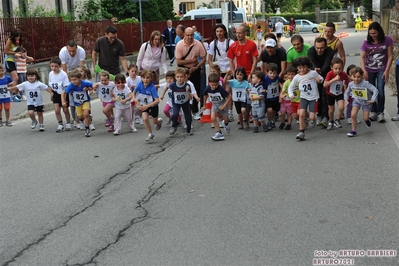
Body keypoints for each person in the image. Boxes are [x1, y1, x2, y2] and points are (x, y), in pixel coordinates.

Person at [360, 21, 393, 123]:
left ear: (379, 32)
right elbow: (362, 57)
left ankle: (380, 112)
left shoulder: (387, 40)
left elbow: (390, 56)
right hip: (369, 69)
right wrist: (364, 70)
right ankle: (373, 111)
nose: (373, 36)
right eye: (371, 34)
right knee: (370, 90)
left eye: (375, 33)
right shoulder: (366, 42)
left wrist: (387, 71)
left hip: (381, 68)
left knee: (380, 90)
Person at [288, 57, 324, 141]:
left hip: (313, 97)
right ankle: (301, 132)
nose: (302, 69)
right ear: (297, 68)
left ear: (308, 66)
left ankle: (312, 120)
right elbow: (291, 87)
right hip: (303, 97)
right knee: (301, 114)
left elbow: (321, 78)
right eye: (300, 68)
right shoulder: (297, 77)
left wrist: (319, 80)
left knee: (311, 117)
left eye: (304, 67)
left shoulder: (313, 73)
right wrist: (291, 95)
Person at [175, 26, 206, 120]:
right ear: (184, 35)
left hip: (195, 68)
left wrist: (197, 66)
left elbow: (204, 58)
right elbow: (179, 62)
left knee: (195, 89)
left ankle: (195, 110)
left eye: (191, 35)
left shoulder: (198, 44)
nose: (190, 37)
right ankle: (184, 109)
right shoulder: (180, 45)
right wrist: (191, 61)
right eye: (188, 35)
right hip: (183, 70)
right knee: (183, 89)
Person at [207, 24, 235, 121]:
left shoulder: (230, 42)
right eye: (217, 31)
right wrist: (213, 69)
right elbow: (209, 59)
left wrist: (233, 69)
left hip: (229, 69)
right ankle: (221, 112)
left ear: (224, 32)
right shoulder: (213, 43)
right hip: (219, 70)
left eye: (221, 31)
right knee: (219, 91)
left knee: (227, 91)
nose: (219, 33)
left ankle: (230, 111)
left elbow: (234, 56)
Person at [307, 37, 335, 127]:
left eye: (322, 48)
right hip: (315, 74)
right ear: (314, 46)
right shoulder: (310, 51)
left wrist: (321, 72)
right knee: (317, 96)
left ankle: (325, 116)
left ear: (326, 46)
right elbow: (311, 63)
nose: (319, 50)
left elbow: (327, 64)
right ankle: (319, 115)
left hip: (327, 74)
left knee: (325, 96)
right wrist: (315, 70)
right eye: (317, 48)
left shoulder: (330, 51)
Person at [344, 67, 378, 137]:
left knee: (365, 118)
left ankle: (367, 121)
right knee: (353, 115)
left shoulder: (365, 83)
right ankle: (353, 130)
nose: (356, 79)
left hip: (366, 102)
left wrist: (373, 99)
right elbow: (346, 93)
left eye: (358, 77)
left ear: (362, 76)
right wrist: (346, 100)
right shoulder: (351, 84)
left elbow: (375, 90)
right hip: (357, 100)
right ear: (351, 76)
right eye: (354, 77)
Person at [62, 69, 93, 137]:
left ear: (80, 78)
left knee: (86, 114)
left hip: (85, 101)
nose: (73, 81)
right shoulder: (71, 85)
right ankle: (84, 120)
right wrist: (63, 101)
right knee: (80, 117)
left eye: (75, 79)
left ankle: (87, 129)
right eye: (71, 80)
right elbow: (63, 92)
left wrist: (89, 88)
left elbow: (93, 86)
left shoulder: (85, 83)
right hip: (77, 103)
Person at [133, 70, 163, 141]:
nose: (145, 80)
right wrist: (135, 99)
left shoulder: (152, 87)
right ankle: (150, 134)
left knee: (154, 122)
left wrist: (147, 106)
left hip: (153, 106)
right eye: (143, 78)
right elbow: (133, 93)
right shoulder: (139, 84)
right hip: (144, 104)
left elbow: (157, 100)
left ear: (151, 78)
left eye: (147, 78)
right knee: (145, 119)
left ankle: (159, 121)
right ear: (141, 78)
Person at [323, 58, 350, 131]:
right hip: (330, 93)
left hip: (339, 93)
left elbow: (348, 79)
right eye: (336, 69)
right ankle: (331, 121)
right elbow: (325, 85)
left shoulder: (343, 74)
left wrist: (357, 79)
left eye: (340, 68)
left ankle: (337, 120)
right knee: (331, 110)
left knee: (341, 107)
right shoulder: (330, 74)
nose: (338, 70)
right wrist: (334, 79)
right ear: (331, 67)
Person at [203, 73, 232, 141]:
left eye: (216, 85)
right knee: (213, 118)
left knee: (226, 118)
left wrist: (224, 105)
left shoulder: (220, 89)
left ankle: (226, 124)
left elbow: (229, 96)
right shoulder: (207, 88)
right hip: (215, 104)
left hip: (222, 103)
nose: (214, 87)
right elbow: (205, 95)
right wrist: (204, 105)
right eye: (212, 85)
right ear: (209, 83)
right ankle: (219, 132)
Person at [167, 67, 193, 136]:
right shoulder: (173, 85)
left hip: (185, 102)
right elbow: (167, 87)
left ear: (185, 77)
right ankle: (174, 125)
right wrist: (163, 94)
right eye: (178, 77)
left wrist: (187, 91)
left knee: (188, 117)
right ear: (175, 77)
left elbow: (190, 98)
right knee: (174, 114)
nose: (180, 79)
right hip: (176, 102)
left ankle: (188, 130)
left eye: (181, 77)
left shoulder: (187, 85)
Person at [48, 57, 71, 132]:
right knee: (57, 110)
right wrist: (51, 93)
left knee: (65, 110)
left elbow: (66, 86)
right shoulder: (50, 74)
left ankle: (68, 122)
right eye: (52, 66)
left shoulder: (63, 74)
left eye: (56, 66)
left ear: (60, 66)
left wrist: (64, 98)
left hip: (63, 93)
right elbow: (51, 84)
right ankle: (60, 124)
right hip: (55, 93)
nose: (54, 68)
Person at [4, 29, 23, 102]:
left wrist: (21, 54)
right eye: (17, 36)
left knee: (15, 78)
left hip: (15, 61)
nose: (18, 38)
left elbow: (19, 50)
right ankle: (13, 95)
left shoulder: (18, 41)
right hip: (9, 60)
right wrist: (14, 54)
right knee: (16, 78)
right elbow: (5, 51)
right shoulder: (10, 40)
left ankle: (10, 89)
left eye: (19, 36)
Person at [262, 63, 280, 130]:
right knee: (270, 110)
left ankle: (272, 120)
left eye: (274, 73)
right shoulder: (265, 79)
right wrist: (263, 91)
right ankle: (269, 121)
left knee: (274, 110)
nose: (272, 75)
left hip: (275, 97)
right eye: (271, 73)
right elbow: (262, 87)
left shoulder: (277, 77)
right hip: (268, 98)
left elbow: (279, 83)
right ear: (267, 72)